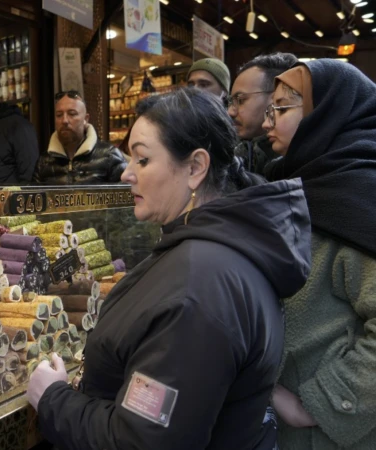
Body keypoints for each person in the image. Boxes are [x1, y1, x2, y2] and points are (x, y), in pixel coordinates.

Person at [27, 88, 312, 449]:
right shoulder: (210, 250)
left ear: (195, 167)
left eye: (142, 160)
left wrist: (54, 399)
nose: (127, 174)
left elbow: (143, 441)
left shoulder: (199, 289)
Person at [262, 60, 376, 450]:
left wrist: (319, 404)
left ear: (325, 111)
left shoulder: (359, 195)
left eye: (281, 108)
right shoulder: (292, 184)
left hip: (332, 436)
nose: (267, 122)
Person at [33, 91, 126, 184]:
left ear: (86, 119)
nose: (64, 120)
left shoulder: (109, 156)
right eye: (59, 115)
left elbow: (127, 193)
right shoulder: (44, 162)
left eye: (72, 114)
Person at [229, 53, 297, 174]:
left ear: (277, 98)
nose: (230, 111)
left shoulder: (298, 167)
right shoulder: (232, 154)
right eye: (230, 102)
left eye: (240, 100)